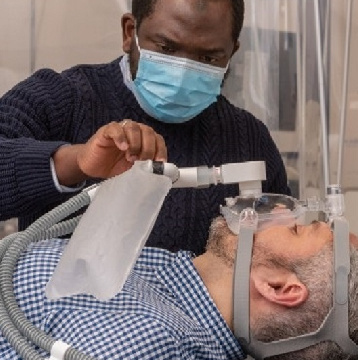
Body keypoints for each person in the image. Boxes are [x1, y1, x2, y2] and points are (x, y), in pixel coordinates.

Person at [0, 217, 358, 360]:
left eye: (293, 227)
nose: (274, 208)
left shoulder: (152, 345)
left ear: (278, 287)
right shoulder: (162, 277)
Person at [0, 0, 290, 254]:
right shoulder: (62, 98)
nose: (182, 73)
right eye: (166, 48)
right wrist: (75, 161)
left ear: (232, 52)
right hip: (56, 313)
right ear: (130, 33)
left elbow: (280, 252)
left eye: (208, 58)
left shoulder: (249, 139)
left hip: (190, 317)